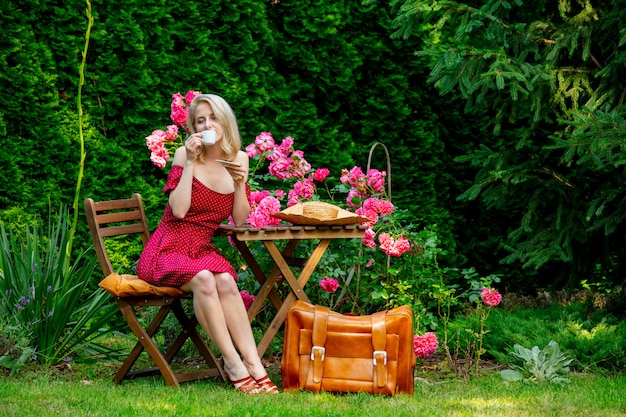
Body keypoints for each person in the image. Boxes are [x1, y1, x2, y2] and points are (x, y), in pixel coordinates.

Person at [137, 93, 279, 394]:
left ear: (225, 122)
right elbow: (178, 210)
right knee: (204, 279)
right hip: (166, 249)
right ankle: (233, 364)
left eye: (212, 118)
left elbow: (240, 220)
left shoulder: (240, 159)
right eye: (200, 120)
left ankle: (254, 363)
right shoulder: (183, 156)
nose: (206, 124)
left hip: (199, 249)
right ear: (194, 128)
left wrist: (241, 182)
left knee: (226, 280)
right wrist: (189, 162)